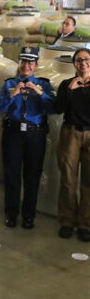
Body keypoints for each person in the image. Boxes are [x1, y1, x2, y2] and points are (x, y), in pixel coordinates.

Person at [0, 47, 55, 229]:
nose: (26, 66)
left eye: (30, 62)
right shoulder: (9, 84)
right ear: (19, 63)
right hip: (13, 134)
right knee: (11, 175)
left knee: (32, 176)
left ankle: (29, 216)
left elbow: (53, 108)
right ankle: (11, 213)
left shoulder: (44, 84)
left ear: (36, 65)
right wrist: (12, 95)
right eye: (23, 61)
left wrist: (40, 93)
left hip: (35, 134)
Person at [55, 48, 90, 242]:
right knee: (68, 179)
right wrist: (69, 90)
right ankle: (67, 221)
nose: (83, 63)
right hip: (71, 133)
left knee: (88, 181)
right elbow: (57, 108)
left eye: (86, 59)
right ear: (74, 64)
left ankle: (85, 223)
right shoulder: (66, 84)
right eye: (79, 60)